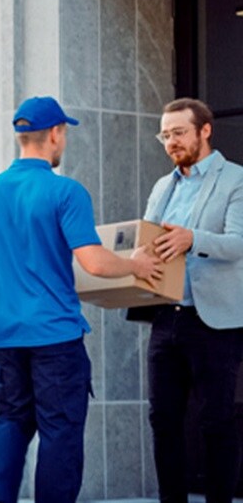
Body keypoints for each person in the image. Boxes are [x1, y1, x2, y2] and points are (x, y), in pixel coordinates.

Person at [0, 96, 163, 503]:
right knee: (60, 432)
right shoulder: (65, 191)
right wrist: (137, 265)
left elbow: (0, 260)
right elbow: (93, 262)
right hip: (54, 337)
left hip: (4, 336)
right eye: (64, 133)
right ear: (56, 134)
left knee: (9, 423)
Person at [140, 98, 243, 503]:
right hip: (166, 317)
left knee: (216, 420)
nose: (170, 142)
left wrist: (192, 239)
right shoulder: (162, 187)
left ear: (205, 130)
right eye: (164, 135)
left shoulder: (235, 179)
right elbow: (148, 238)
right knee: (163, 420)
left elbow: (239, 242)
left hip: (214, 320)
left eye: (178, 132)